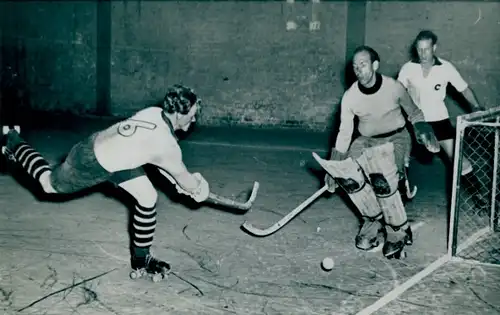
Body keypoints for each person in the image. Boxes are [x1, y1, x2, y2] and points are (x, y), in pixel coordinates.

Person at [1, 84, 210, 279]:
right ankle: (14, 141)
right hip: (90, 161)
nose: (193, 121)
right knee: (48, 184)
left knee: (147, 197)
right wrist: (198, 187)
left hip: (118, 159)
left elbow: (156, 160)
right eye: (191, 117)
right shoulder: (166, 145)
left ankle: (141, 259)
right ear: (177, 113)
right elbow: (186, 182)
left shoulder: (154, 112)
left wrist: (181, 181)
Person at [324, 46, 440, 259]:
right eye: (355, 66)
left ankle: (397, 232)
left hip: (396, 137)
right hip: (366, 141)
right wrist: (336, 165)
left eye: (363, 64)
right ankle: (371, 225)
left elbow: (414, 112)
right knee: (350, 179)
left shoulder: (394, 87)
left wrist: (423, 129)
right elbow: (344, 132)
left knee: (384, 182)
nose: (358, 69)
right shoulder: (350, 97)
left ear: (375, 65)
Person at [397, 30, 488, 208]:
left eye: (426, 49)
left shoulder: (446, 68)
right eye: (419, 49)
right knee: (401, 157)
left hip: (439, 120)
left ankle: (478, 195)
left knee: (459, 158)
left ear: (434, 48)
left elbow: (464, 89)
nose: (423, 54)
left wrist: (476, 107)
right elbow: (397, 92)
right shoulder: (408, 68)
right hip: (415, 120)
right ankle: (399, 196)